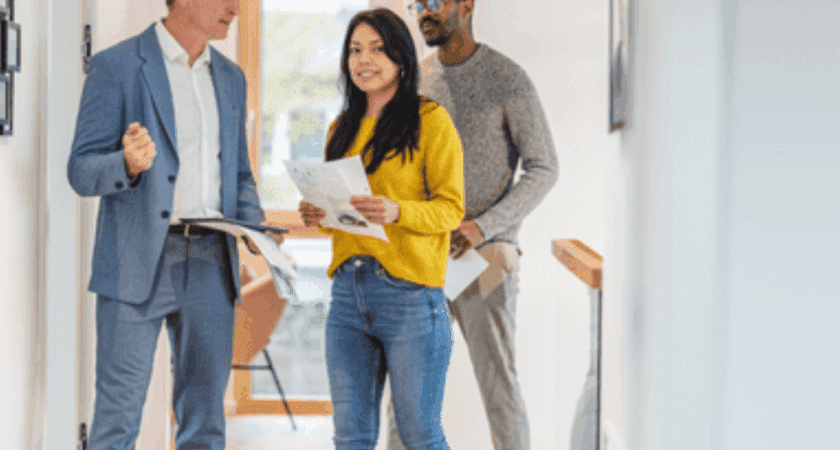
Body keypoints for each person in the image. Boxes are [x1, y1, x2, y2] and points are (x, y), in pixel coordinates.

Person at [67, 1, 267, 448]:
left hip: (212, 259)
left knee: (205, 423)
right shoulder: (116, 67)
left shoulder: (231, 78)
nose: (235, 8)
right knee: (117, 419)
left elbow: (237, 173)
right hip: (137, 260)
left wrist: (257, 227)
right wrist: (127, 163)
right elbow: (80, 170)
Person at [388, 1, 559, 449]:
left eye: (434, 3)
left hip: (486, 256)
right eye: (415, 4)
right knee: (405, 393)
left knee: (498, 387)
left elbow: (544, 168)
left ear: (466, 5)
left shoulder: (507, 79)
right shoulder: (414, 81)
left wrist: (482, 228)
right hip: (424, 254)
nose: (423, 12)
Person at [298, 8, 464, 450]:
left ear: (401, 59)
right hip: (347, 295)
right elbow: (344, 218)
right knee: (350, 437)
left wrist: (398, 212)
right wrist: (320, 215)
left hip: (410, 297)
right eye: (355, 50)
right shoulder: (341, 128)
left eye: (376, 48)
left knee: (419, 435)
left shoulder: (431, 121)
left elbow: (450, 210)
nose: (363, 60)